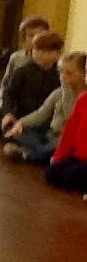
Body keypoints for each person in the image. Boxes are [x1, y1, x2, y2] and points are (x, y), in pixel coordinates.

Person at [4, 51, 87, 164]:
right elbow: (41, 114)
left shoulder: (82, 98)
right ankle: (46, 154)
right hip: (49, 136)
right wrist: (21, 122)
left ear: (83, 73)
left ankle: (28, 155)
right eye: (61, 72)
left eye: (69, 73)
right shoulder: (58, 93)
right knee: (19, 130)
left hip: (67, 140)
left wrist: (66, 91)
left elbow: (70, 118)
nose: (62, 76)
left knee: (61, 144)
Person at [0, 31, 63, 135]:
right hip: (21, 116)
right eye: (36, 50)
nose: (40, 54)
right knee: (8, 127)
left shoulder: (60, 75)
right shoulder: (23, 71)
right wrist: (8, 113)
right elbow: (9, 94)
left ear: (58, 54)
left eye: (47, 52)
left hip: (46, 121)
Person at [45, 55, 87, 193]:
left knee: (70, 176)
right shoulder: (83, 99)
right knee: (51, 173)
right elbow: (69, 132)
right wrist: (58, 157)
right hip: (78, 156)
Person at [0, 16, 51, 112]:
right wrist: (2, 103)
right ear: (24, 39)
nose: (36, 38)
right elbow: (6, 84)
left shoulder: (52, 61)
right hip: (16, 106)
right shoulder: (16, 58)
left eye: (40, 34)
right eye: (31, 35)